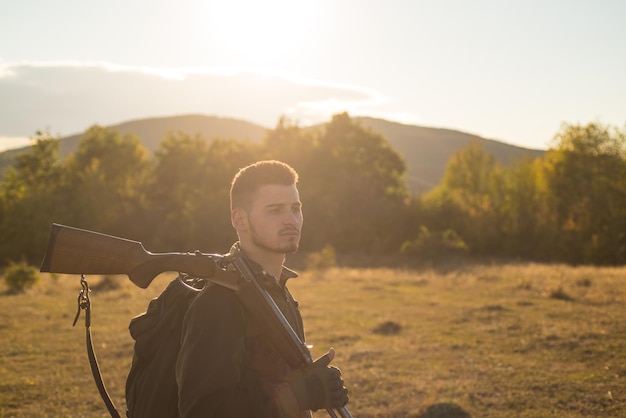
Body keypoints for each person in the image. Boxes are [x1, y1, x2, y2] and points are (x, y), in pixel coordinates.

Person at [175, 160, 349, 417]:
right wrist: (299, 395)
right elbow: (201, 411)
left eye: (296, 208)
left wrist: (310, 380)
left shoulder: (277, 289)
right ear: (240, 220)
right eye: (275, 210)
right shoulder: (220, 301)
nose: (291, 220)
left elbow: (273, 380)